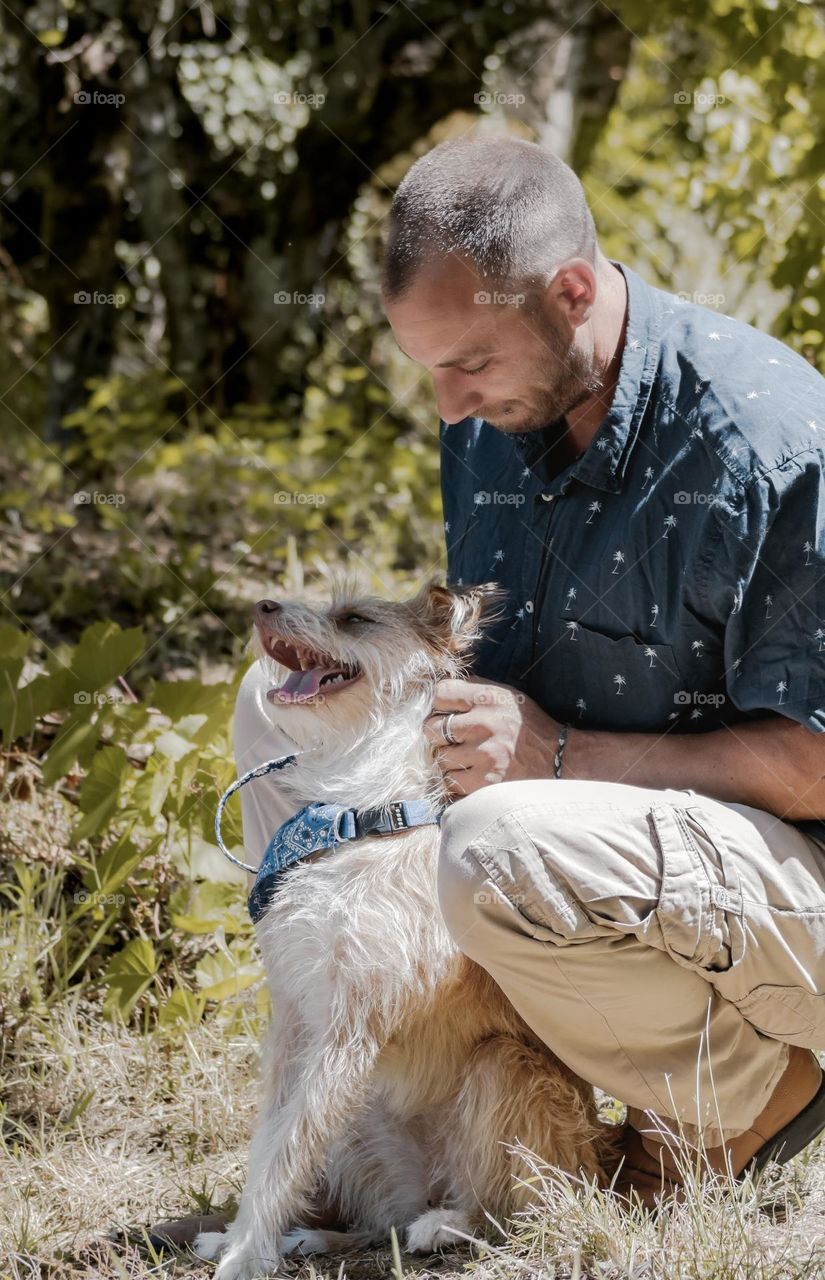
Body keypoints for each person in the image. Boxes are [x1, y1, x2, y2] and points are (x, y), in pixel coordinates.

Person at [150, 135, 825, 1246]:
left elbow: (813, 762)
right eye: (429, 370)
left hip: (782, 882)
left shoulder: (770, 443)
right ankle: (362, 1120)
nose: (450, 407)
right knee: (276, 704)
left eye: (467, 362)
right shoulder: (496, 413)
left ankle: (740, 1090)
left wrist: (559, 755)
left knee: (495, 839)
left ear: (568, 291)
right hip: (593, 832)